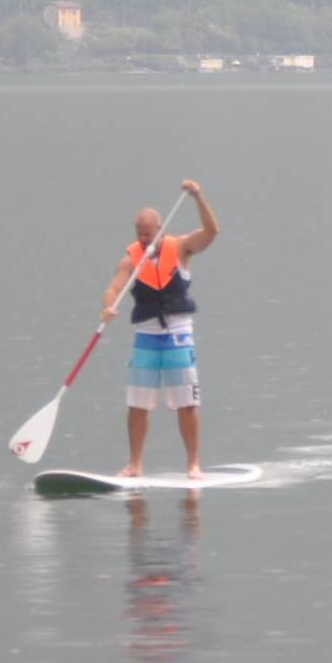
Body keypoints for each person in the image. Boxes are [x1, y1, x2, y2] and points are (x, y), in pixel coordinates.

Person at [101, 180, 220, 477]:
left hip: (178, 336)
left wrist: (198, 197)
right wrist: (108, 306)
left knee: (186, 402)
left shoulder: (181, 248)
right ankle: (135, 464)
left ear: (160, 229)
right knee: (137, 404)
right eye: (139, 234)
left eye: (148, 234)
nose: (143, 239)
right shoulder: (130, 260)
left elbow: (211, 232)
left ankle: (193, 464)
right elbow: (113, 287)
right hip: (146, 337)